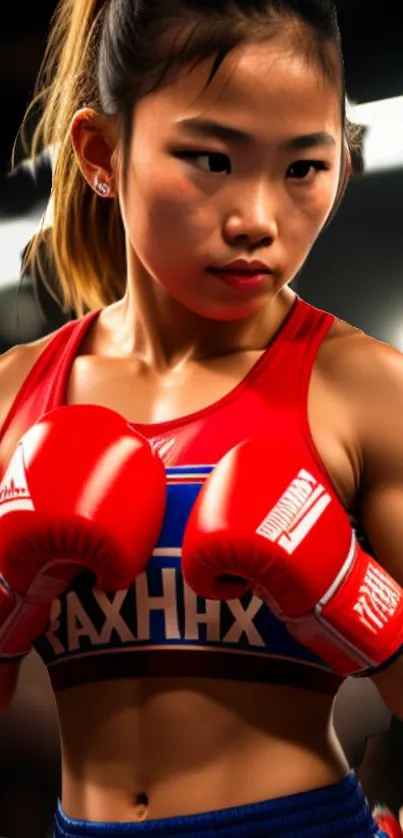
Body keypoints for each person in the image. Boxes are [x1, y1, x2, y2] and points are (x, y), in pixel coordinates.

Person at [0, 0, 403, 835]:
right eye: (210, 158)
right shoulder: (13, 396)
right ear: (102, 152)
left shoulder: (365, 390)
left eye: (302, 168)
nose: (257, 218)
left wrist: (345, 590)